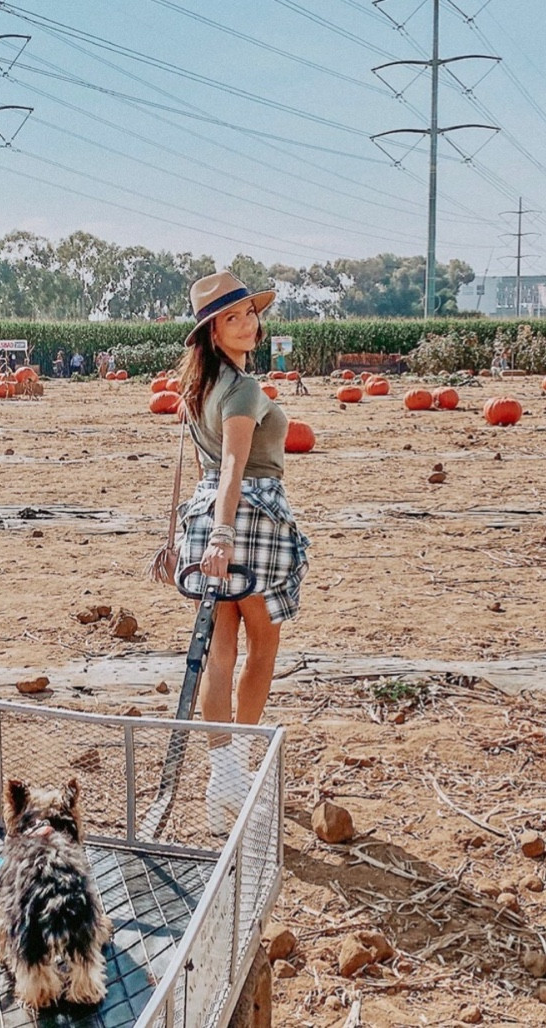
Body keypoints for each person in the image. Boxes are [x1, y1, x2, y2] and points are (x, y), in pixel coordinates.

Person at [175, 271, 310, 835]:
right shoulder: (244, 391)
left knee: (219, 649)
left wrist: (211, 530)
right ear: (212, 331)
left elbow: (214, 468)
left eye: (250, 313)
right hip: (248, 516)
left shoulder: (200, 386)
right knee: (262, 645)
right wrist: (226, 536)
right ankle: (238, 776)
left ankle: (219, 780)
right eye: (233, 318)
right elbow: (234, 464)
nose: (248, 324)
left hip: (208, 509)